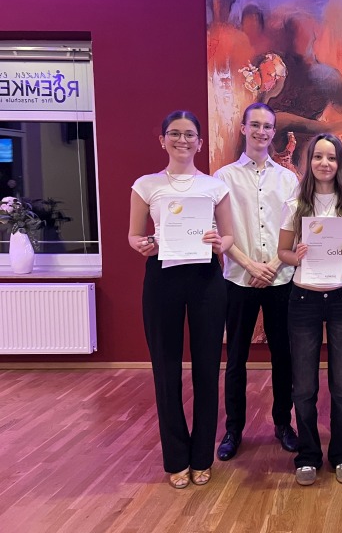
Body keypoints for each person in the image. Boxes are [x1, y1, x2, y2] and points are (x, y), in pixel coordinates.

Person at [128, 110, 234, 489]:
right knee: (166, 368)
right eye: (174, 133)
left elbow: (229, 237)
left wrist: (219, 243)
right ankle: (176, 458)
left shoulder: (214, 187)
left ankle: (202, 456)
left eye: (190, 134)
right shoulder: (146, 185)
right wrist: (143, 244)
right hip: (162, 277)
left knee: (207, 368)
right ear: (162, 140)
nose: (182, 140)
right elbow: (134, 235)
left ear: (200, 143)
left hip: (206, 278)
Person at [277, 133, 342, 486]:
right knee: (303, 387)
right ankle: (308, 454)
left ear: (340, 162)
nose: (324, 163)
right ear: (309, 161)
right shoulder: (295, 204)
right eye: (318, 157)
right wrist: (295, 256)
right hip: (304, 300)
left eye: (331, 157)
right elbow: (283, 253)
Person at [213, 102, 300, 463]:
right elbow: (219, 232)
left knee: (284, 357)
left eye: (267, 126)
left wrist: (272, 266)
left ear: (273, 132)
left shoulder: (289, 179)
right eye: (255, 125)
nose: (261, 132)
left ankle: (283, 423)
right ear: (244, 129)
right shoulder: (223, 178)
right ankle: (234, 429)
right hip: (239, 278)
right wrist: (251, 265)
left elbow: (296, 230)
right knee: (236, 358)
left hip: (281, 279)